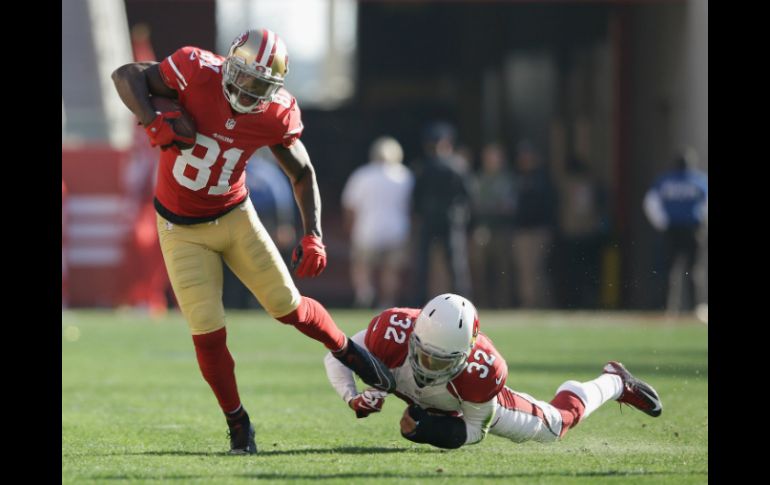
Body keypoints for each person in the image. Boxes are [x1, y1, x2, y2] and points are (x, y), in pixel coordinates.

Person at [111, 28, 396, 455]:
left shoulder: (274, 113)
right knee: (208, 333)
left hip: (235, 215)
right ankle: (238, 422)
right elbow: (124, 75)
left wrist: (313, 234)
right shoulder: (195, 69)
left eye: (261, 86)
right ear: (230, 65)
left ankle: (347, 350)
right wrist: (153, 119)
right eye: (245, 79)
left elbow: (302, 172)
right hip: (181, 228)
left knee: (288, 306)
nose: (250, 91)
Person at [324, 293, 662, 449]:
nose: (426, 367)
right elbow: (337, 356)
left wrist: (432, 431)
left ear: (465, 354)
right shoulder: (392, 328)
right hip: (431, 393)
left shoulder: (482, 370)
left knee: (557, 425)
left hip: (461, 404)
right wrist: (352, 397)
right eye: (423, 355)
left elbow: (474, 431)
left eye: (439, 362)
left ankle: (615, 381)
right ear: (414, 336)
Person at [341, 136, 414, 308]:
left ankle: (365, 294)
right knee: (391, 270)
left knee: (362, 266)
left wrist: (350, 226)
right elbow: (411, 207)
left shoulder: (362, 175)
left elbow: (350, 206)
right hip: (397, 229)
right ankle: (387, 302)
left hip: (367, 229)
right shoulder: (405, 176)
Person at [411, 122, 472, 306]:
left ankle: (419, 301)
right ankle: (464, 301)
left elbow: (416, 198)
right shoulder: (459, 165)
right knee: (456, 264)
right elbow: (468, 196)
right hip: (452, 219)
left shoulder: (423, 167)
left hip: (430, 219)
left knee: (423, 263)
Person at [643, 147, 708, 314]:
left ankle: (666, 307)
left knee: (668, 270)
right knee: (692, 270)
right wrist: (700, 218)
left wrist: (662, 222)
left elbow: (650, 203)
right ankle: (694, 307)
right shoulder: (699, 180)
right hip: (692, 230)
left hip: (672, 229)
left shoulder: (665, 180)